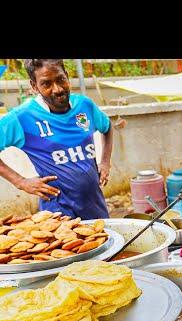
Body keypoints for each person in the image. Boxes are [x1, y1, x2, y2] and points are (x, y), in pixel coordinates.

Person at [0, 59, 113, 219]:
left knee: (108, 242)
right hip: (58, 212)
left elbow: (107, 128)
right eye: (46, 84)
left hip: (95, 205)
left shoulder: (84, 105)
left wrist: (105, 162)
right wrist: (20, 182)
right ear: (34, 86)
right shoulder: (22, 117)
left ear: (67, 76)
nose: (58, 89)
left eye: (61, 79)